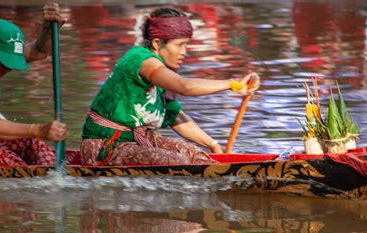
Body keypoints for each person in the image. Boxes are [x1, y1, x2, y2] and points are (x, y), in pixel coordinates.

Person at [81, 7, 260, 166]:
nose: (184, 51)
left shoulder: (164, 72)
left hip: (138, 142)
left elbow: (176, 118)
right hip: (106, 147)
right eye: (180, 45)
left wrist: (213, 146)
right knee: (178, 164)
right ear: (157, 43)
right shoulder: (140, 59)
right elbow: (185, 86)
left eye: (187, 45)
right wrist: (233, 85)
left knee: (198, 157)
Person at [0, 3, 68, 167]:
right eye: (3, 62)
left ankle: (55, 177)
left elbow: (39, 51)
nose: (7, 68)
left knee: (33, 144)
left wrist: (48, 29)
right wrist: (38, 130)